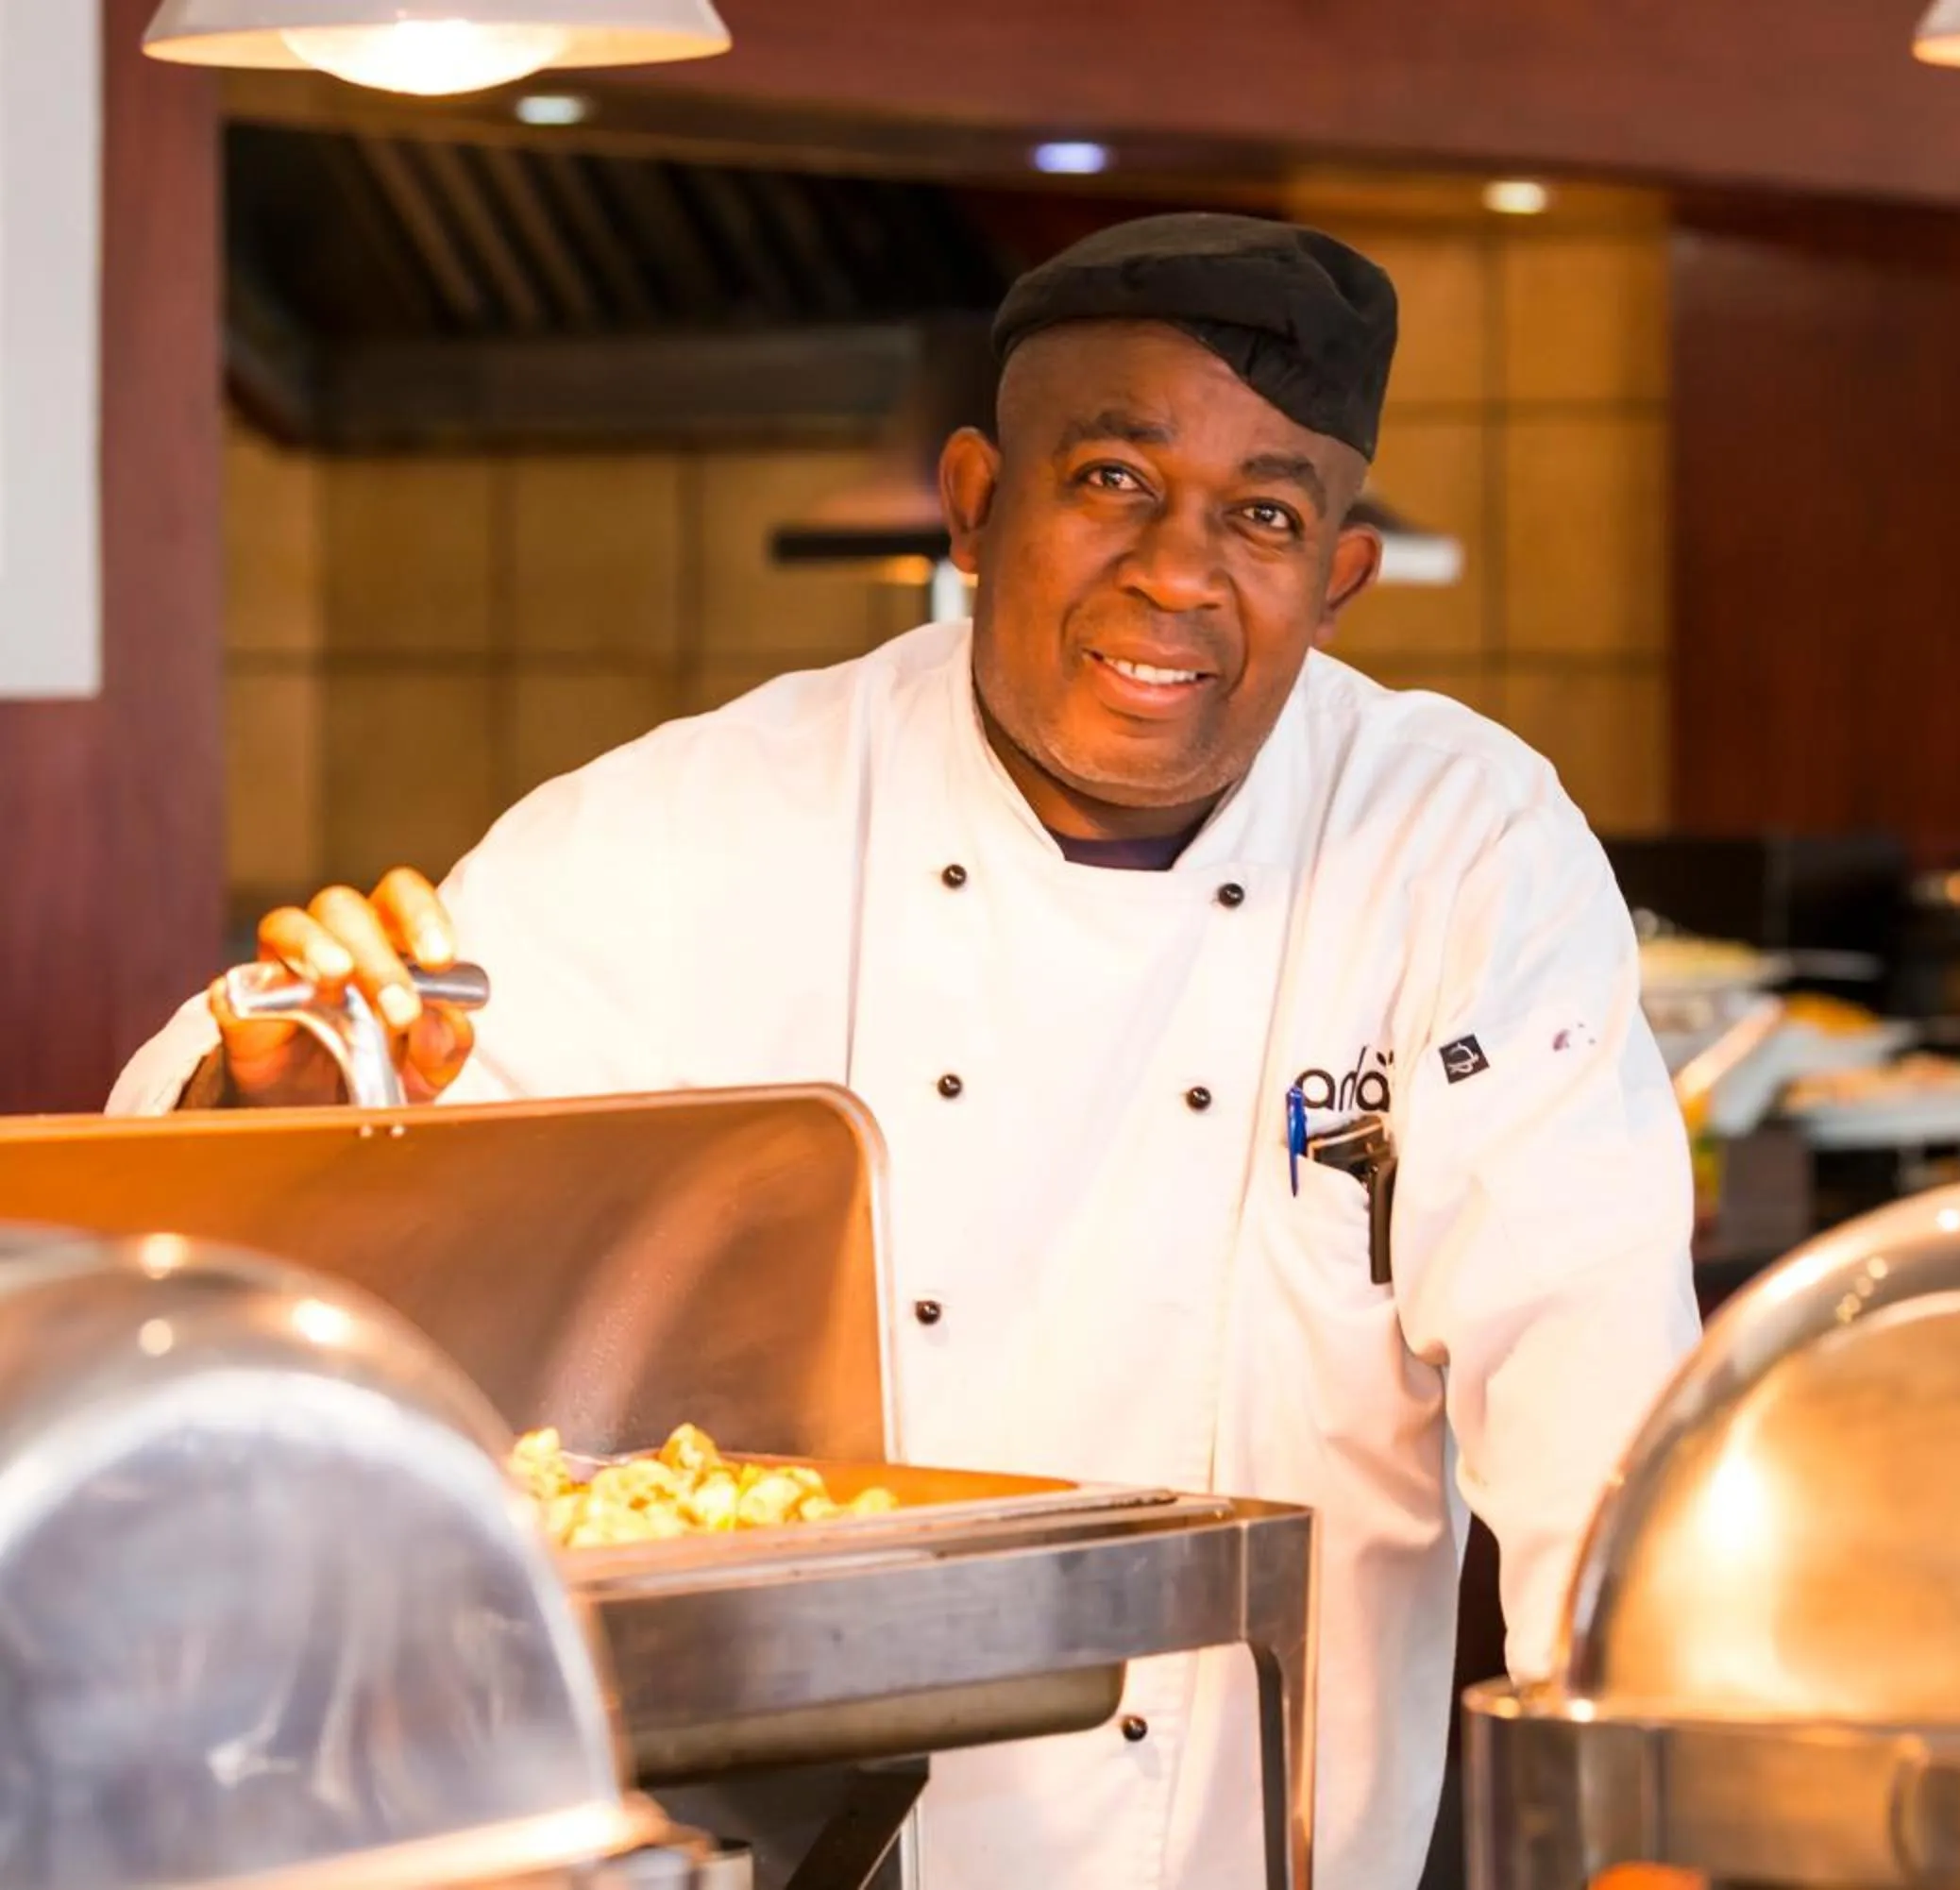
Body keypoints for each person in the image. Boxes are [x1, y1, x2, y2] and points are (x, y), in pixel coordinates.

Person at [110, 213, 1698, 1889]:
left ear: (1339, 578)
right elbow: (276, 1168)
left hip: (1265, 1848)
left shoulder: (1456, 843)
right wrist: (275, 1094)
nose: (1179, 570)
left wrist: (1658, 1830)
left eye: (1266, 515)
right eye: (1111, 480)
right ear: (972, 502)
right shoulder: (714, 820)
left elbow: (1594, 1386)